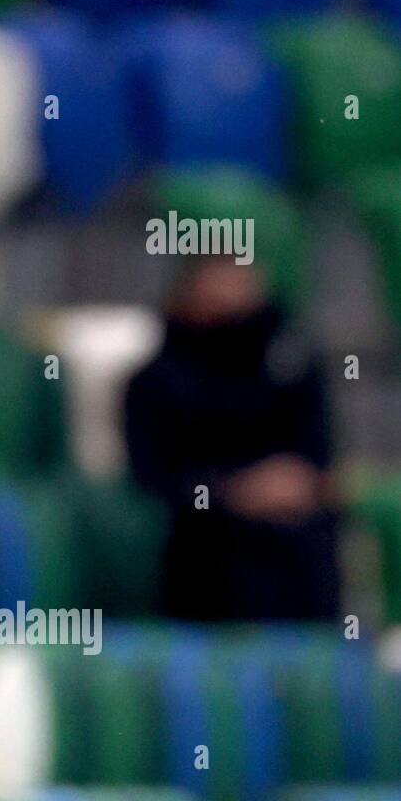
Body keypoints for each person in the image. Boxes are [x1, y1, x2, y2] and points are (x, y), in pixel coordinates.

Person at [124, 255, 340, 621]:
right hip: (204, 542)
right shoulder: (155, 382)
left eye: (239, 276)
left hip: (298, 544)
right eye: (218, 276)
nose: (229, 290)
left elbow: (317, 458)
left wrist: (295, 485)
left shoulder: (292, 370)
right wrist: (232, 493)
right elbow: (153, 479)